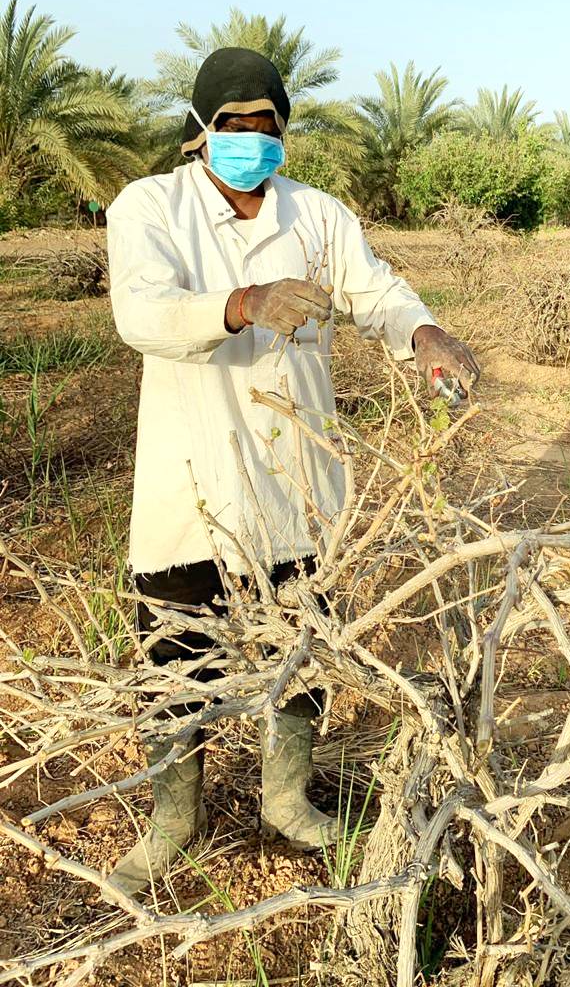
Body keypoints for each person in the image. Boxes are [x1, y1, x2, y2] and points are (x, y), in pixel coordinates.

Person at [105, 46, 479, 896]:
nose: (250, 140)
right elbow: (142, 313)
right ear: (201, 132)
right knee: (176, 655)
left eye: (266, 126)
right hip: (192, 478)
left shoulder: (319, 216)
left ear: (284, 132)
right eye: (232, 126)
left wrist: (423, 335)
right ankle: (174, 820)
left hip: (300, 477)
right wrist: (241, 304)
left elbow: (376, 292)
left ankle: (287, 799)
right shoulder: (149, 207)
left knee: (304, 646)